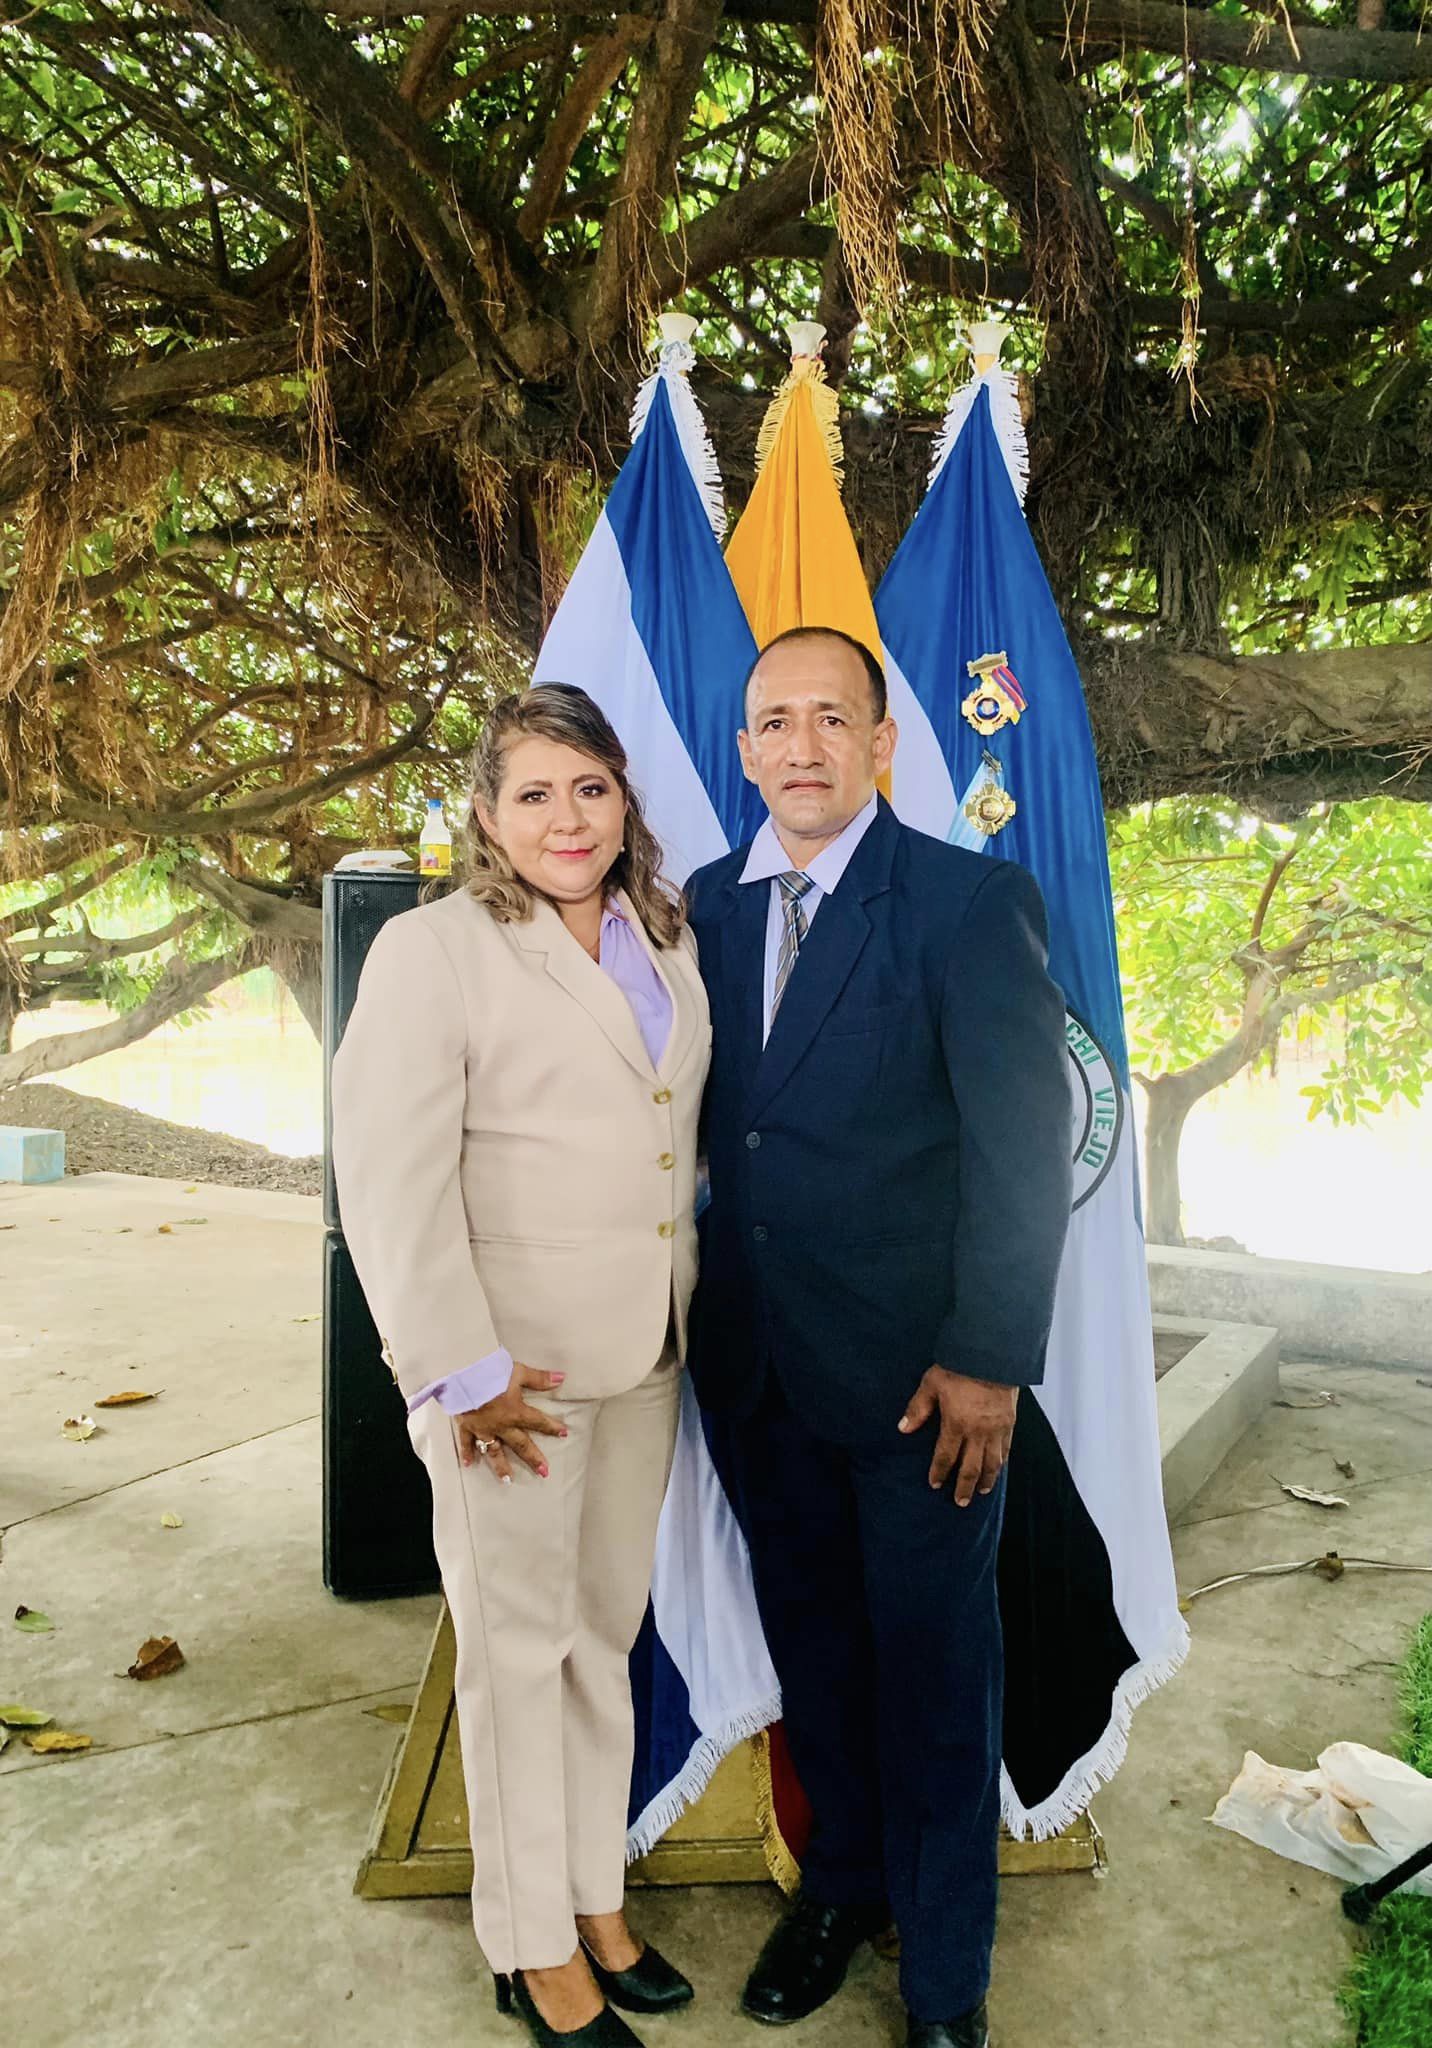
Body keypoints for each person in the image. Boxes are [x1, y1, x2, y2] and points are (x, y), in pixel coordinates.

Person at [685, 627, 1074, 2048]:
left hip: (925, 1389)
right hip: (757, 1372)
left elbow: (1023, 1151)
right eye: (775, 722)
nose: (803, 746)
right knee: (818, 1651)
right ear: (744, 751)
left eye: (831, 718)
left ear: (883, 741)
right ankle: (843, 1887)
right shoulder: (704, 908)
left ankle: (947, 1981)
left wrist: (990, 1359)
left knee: (935, 1676)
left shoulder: (968, 905)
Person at [331, 684, 710, 2048]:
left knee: (600, 1644)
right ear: (488, 817)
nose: (568, 818)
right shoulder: (434, 951)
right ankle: (529, 1946)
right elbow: (389, 1180)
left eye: (590, 788)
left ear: (624, 801)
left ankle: (595, 1898)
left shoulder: (666, 933)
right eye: (535, 793)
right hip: (510, 1381)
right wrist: (457, 1368)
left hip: (648, 1349)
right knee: (516, 1656)